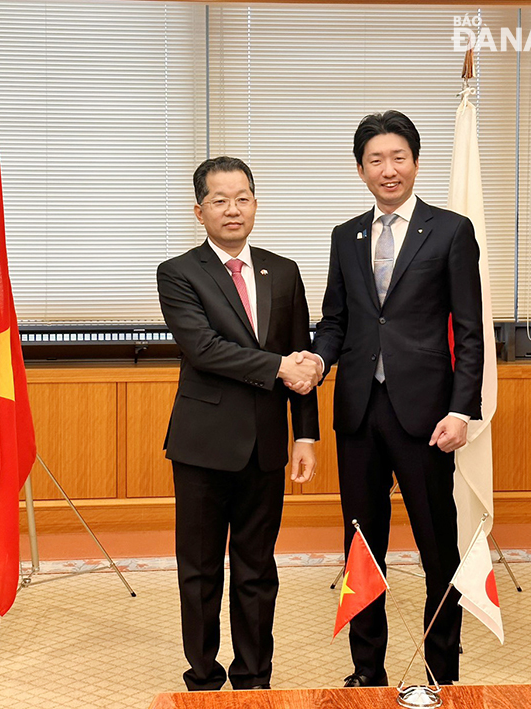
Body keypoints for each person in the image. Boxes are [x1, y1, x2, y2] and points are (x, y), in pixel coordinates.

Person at [301, 110, 484, 686]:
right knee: (362, 547)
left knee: (438, 548)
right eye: (375, 160)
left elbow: (471, 329)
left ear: (416, 162)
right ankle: (366, 670)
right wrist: (317, 359)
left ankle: (441, 670)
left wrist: (461, 410)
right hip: (358, 412)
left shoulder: (450, 231)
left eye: (398, 157)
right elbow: (335, 321)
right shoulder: (345, 236)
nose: (388, 169)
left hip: (427, 415)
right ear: (360, 169)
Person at [156, 156, 320, 692]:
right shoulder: (179, 273)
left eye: (243, 198)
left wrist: (307, 434)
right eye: (220, 200)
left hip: (267, 447)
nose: (233, 209)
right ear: (199, 210)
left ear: (256, 203)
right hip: (203, 448)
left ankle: (254, 678)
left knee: (257, 571)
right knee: (200, 572)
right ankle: (202, 677)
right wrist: (276, 366)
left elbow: (304, 360)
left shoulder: (284, 270)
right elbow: (203, 350)